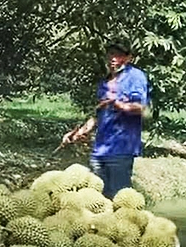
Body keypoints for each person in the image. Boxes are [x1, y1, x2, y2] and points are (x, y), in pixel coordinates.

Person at [61, 40, 150, 198]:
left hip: (121, 148)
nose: (113, 58)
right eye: (111, 54)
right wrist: (78, 133)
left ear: (129, 58)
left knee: (119, 197)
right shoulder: (105, 83)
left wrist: (119, 105)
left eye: (119, 55)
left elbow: (141, 108)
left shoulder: (135, 76)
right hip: (100, 149)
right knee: (97, 196)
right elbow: (98, 115)